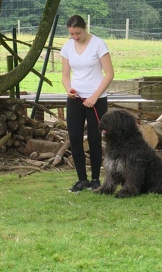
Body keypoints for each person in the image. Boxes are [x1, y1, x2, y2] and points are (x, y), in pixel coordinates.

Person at [60, 14, 114, 192]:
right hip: (76, 99)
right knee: (75, 138)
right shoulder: (67, 47)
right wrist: (69, 89)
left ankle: (96, 179)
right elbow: (66, 75)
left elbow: (109, 74)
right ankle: (81, 179)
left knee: (94, 138)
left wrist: (95, 97)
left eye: (78, 33)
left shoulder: (98, 44)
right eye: (72, 34)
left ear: (85, 29)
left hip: (96, 99)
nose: (75, 37)